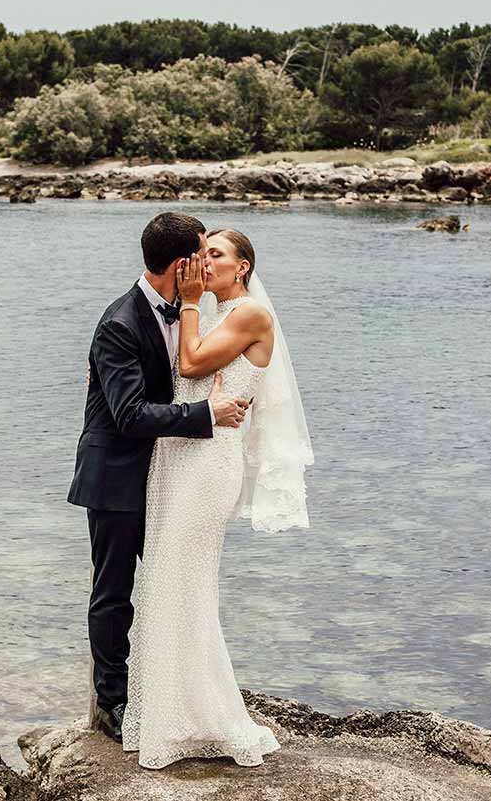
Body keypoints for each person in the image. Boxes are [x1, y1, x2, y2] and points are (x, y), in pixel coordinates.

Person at [121, 228, 313, 769]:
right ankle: (171, 713)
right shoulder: (212, 313)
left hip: (208, 464)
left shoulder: (249, 315)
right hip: (176, 458)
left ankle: (213, 716)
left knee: (186, 583)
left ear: (242, 267)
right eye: (201, 253)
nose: (203, 262)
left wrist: (186, 304)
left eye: (216, 254)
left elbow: (190, 365)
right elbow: (174, 377)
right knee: (165, 581)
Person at [67, 212, 250, 744]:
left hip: (170, 476)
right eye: (200, 254)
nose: (206, 263)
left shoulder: (199, 312)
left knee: (174, 586)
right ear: (181, 264)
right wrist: (207, 417)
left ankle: (174, 693)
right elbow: (128, 416)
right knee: (114, 593)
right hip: (118, 476)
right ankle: (110, 703)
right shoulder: (120, 323)